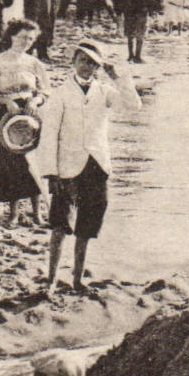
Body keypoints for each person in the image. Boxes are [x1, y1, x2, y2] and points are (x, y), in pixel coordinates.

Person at [38, 41, 141, 295]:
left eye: (92, 63)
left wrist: (118, 77)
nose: (87, 67)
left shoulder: (104, 91)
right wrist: (51, 172)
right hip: (67, 167)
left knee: (88, 223)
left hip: (96, 165)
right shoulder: (60, 93)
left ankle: (77, 279)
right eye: (82, 60)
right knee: (60, 225)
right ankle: (51, 279)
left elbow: (133, 105)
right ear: (73, 61)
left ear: (98, 67)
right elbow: (49, 134)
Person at [0, 20, 52, 226]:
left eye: (30, 38)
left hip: (30, 113)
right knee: (11, 163)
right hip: (7, 113)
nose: (25, 42)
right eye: (21, 37)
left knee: (33, 162)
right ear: (11, 36)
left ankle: (37, 213)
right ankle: (14, 213)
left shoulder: (35, 63)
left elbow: (45, 90)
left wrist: (36, 100)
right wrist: (4, 100)